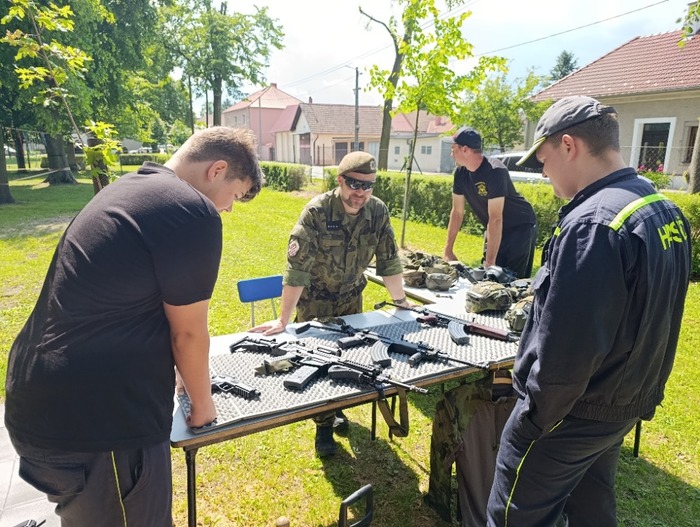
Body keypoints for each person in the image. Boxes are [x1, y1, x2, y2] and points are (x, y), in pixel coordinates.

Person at [4, 126, 263, 527]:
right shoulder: (191, 211)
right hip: (99, 423)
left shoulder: (128, 189)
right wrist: (203, 406)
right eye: (236, 195)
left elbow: (127, 304)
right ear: (217, 170)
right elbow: (188, 333)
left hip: (40, 399)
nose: (229, 209)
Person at [486, 96, 691, 526]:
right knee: (591, 511)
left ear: (568, 145)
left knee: (512, 517)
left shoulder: (593, 224)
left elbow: (569, 351)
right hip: (619, 404)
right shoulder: (660, 208)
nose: (543, 173)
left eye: (543, 160)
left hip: (569, 414)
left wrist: (531, 420)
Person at [250, 151, 413, 457]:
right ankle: (323, 426)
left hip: (351, 300)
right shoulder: (317, 212)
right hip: (316, 302)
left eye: (368, 185)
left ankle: (338, 408)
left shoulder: (377, 212)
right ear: (340, 181)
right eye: (354, 184)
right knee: (317, 361)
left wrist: (400, 301)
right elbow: (297, 271)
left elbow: (389, 261)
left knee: (348, 358)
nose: (361, 192)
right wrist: (283, 320)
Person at [444, 126, 538, 278]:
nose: (451, 154)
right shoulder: (460, 173)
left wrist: (490, 262)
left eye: (454, 149)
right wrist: (448, 250)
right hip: (495, 228)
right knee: (488, 278)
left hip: (520, 226)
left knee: (511, 279)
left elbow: (495, 218)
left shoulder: (495, 171)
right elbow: (457, 213)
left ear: (465, 150)